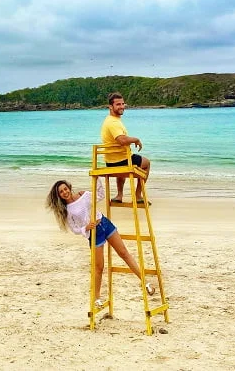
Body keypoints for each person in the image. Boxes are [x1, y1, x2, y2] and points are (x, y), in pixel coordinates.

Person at [46, 178, 155, 306]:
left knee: (124, 253)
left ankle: (145, 283)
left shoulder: (83, 195)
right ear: (59, 195)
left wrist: (97, 179)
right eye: (61, 192)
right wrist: (86, 228)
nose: (65, 192)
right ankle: (97, 298)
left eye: (65, 189)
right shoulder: (67, 210)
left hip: (104, 223)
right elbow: (74, 229)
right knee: (99, 267)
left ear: (69, 187)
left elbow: (100, 195)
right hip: (94, 234)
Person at [100, 92, 151, 204]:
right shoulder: (113, 122)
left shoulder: (110, 120)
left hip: (111, 162)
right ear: (110, 106)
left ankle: (119, 195)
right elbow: (122, 140)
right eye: (118, 104)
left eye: (123, 104)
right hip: (121, 161)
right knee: (146, 163)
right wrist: (135, 139)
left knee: (124, 158)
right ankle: (138, 196)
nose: (122, 106)